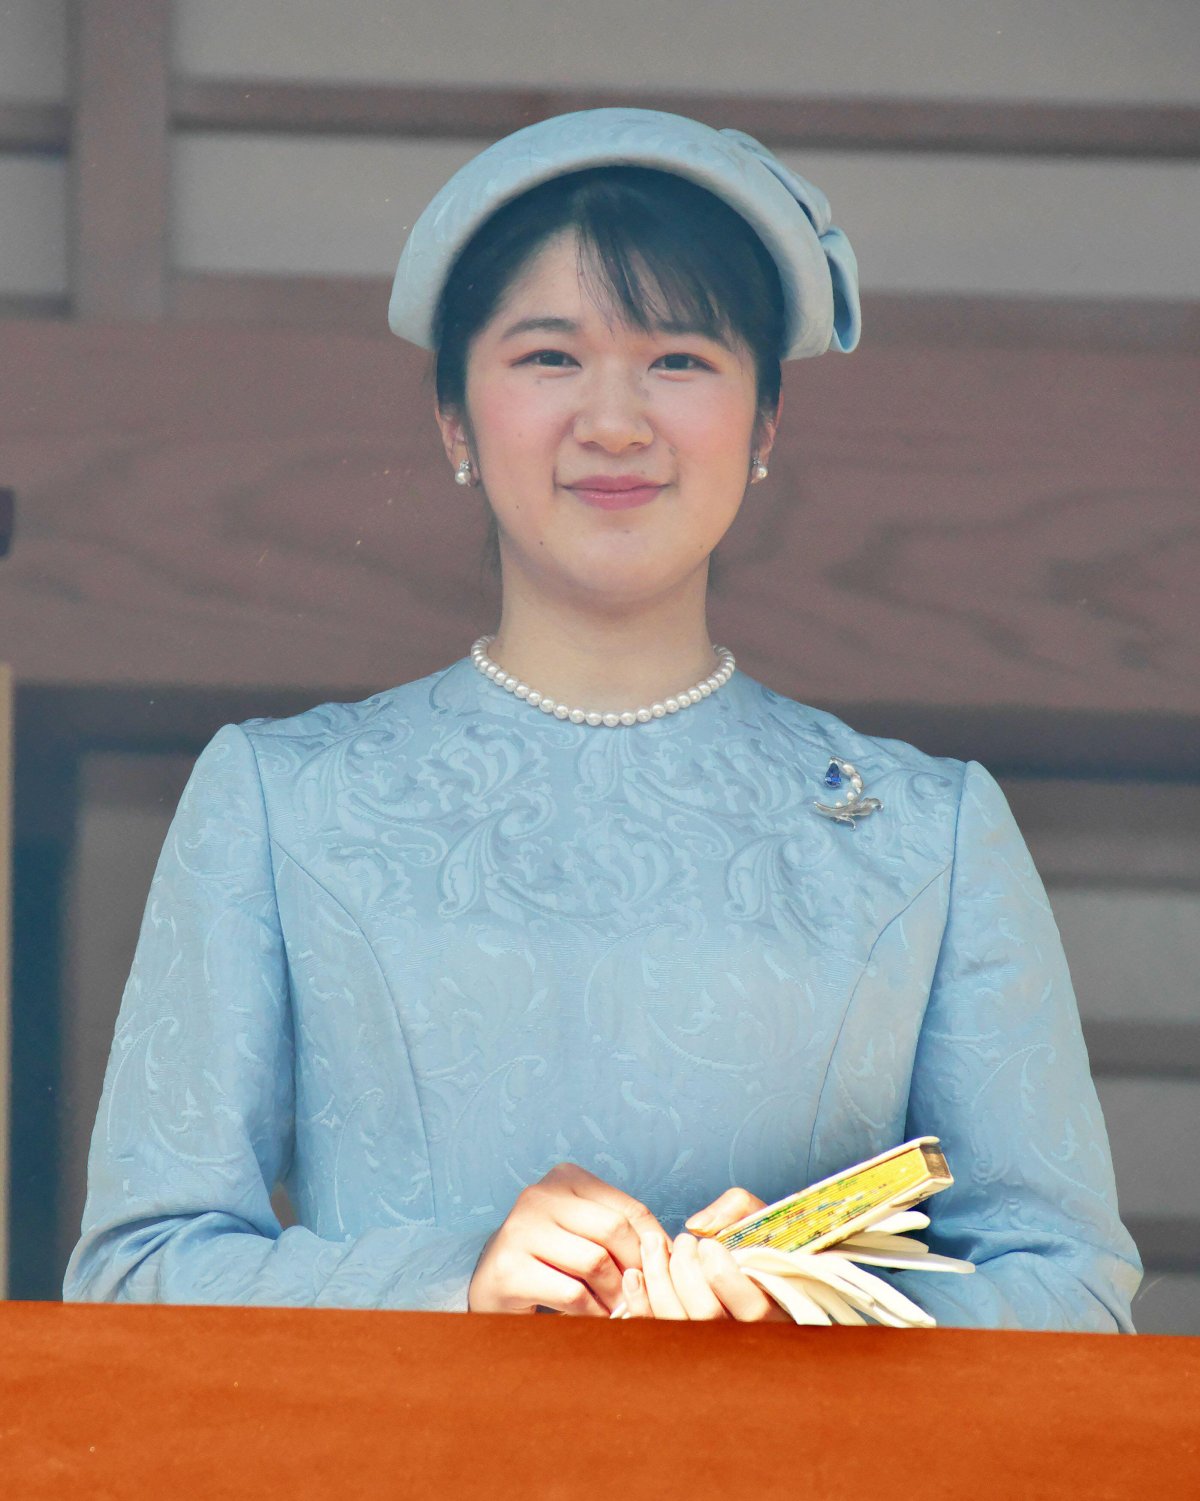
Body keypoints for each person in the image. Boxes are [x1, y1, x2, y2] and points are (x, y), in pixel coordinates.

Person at [63, 107, 1141, 1328]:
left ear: (767, 422)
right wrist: (450, 1281)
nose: (617, 421)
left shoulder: (928, 829)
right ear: (455, 419)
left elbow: (1077, 1294)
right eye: (548, 357)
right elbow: (134, 1276)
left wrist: (823, 1316)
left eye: (681, 359)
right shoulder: (279, 796)